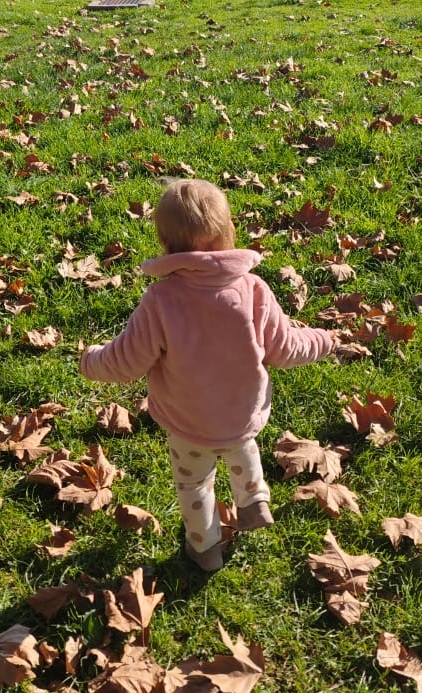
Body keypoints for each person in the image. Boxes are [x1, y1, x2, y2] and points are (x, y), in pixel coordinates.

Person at [79, 178, 338, 570]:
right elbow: (287, 348)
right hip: (241, 411)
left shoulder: (160, 301)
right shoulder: (253, 290)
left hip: (189, 423)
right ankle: (253, 500)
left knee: (194, 483)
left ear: (165, 244)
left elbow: (126, 361)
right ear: (230, 231)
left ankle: (205, 549)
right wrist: (325, 339)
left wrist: (91, 360)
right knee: (241, 442)